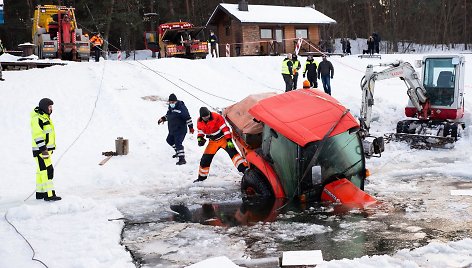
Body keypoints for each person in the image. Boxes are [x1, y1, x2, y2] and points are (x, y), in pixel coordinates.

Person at [194, 107, 248, 183]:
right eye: (205, 117)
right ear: (201, 117)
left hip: (223, 139)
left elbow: (225, 129)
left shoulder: (216, 117)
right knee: (205, 159)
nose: (207, 117)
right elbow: (200, 131)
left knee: (234, 155)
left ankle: (245, 170)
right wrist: (200, 139)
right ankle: (201, 178)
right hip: (212, 142)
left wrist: (229, 140)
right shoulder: (199, 121)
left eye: (208, 115)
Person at [31, 98, 61, 201]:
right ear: (44, 107)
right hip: (41, 150)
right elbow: (37, 135)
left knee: (41, 171)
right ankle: (49, 194)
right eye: (49, 107)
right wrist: (43, 149)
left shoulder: (45, 117)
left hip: (45, 150)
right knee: (47, 171)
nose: (51, 109)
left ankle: (40, 193)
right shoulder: (37, 119)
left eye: (51, 107)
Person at [158, 94, 194, 165]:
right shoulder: (170, 107)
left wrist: (191, 127)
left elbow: (187, 117)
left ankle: (182, 159)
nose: (172, 104)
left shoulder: (181, 107)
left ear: (176, 101)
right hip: (172, 129)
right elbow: (168, 115)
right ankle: (178, 152)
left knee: (178, 143)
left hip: (180, 129)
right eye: (170, 102)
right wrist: (162, 119)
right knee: (169, 140)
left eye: (173, 102)